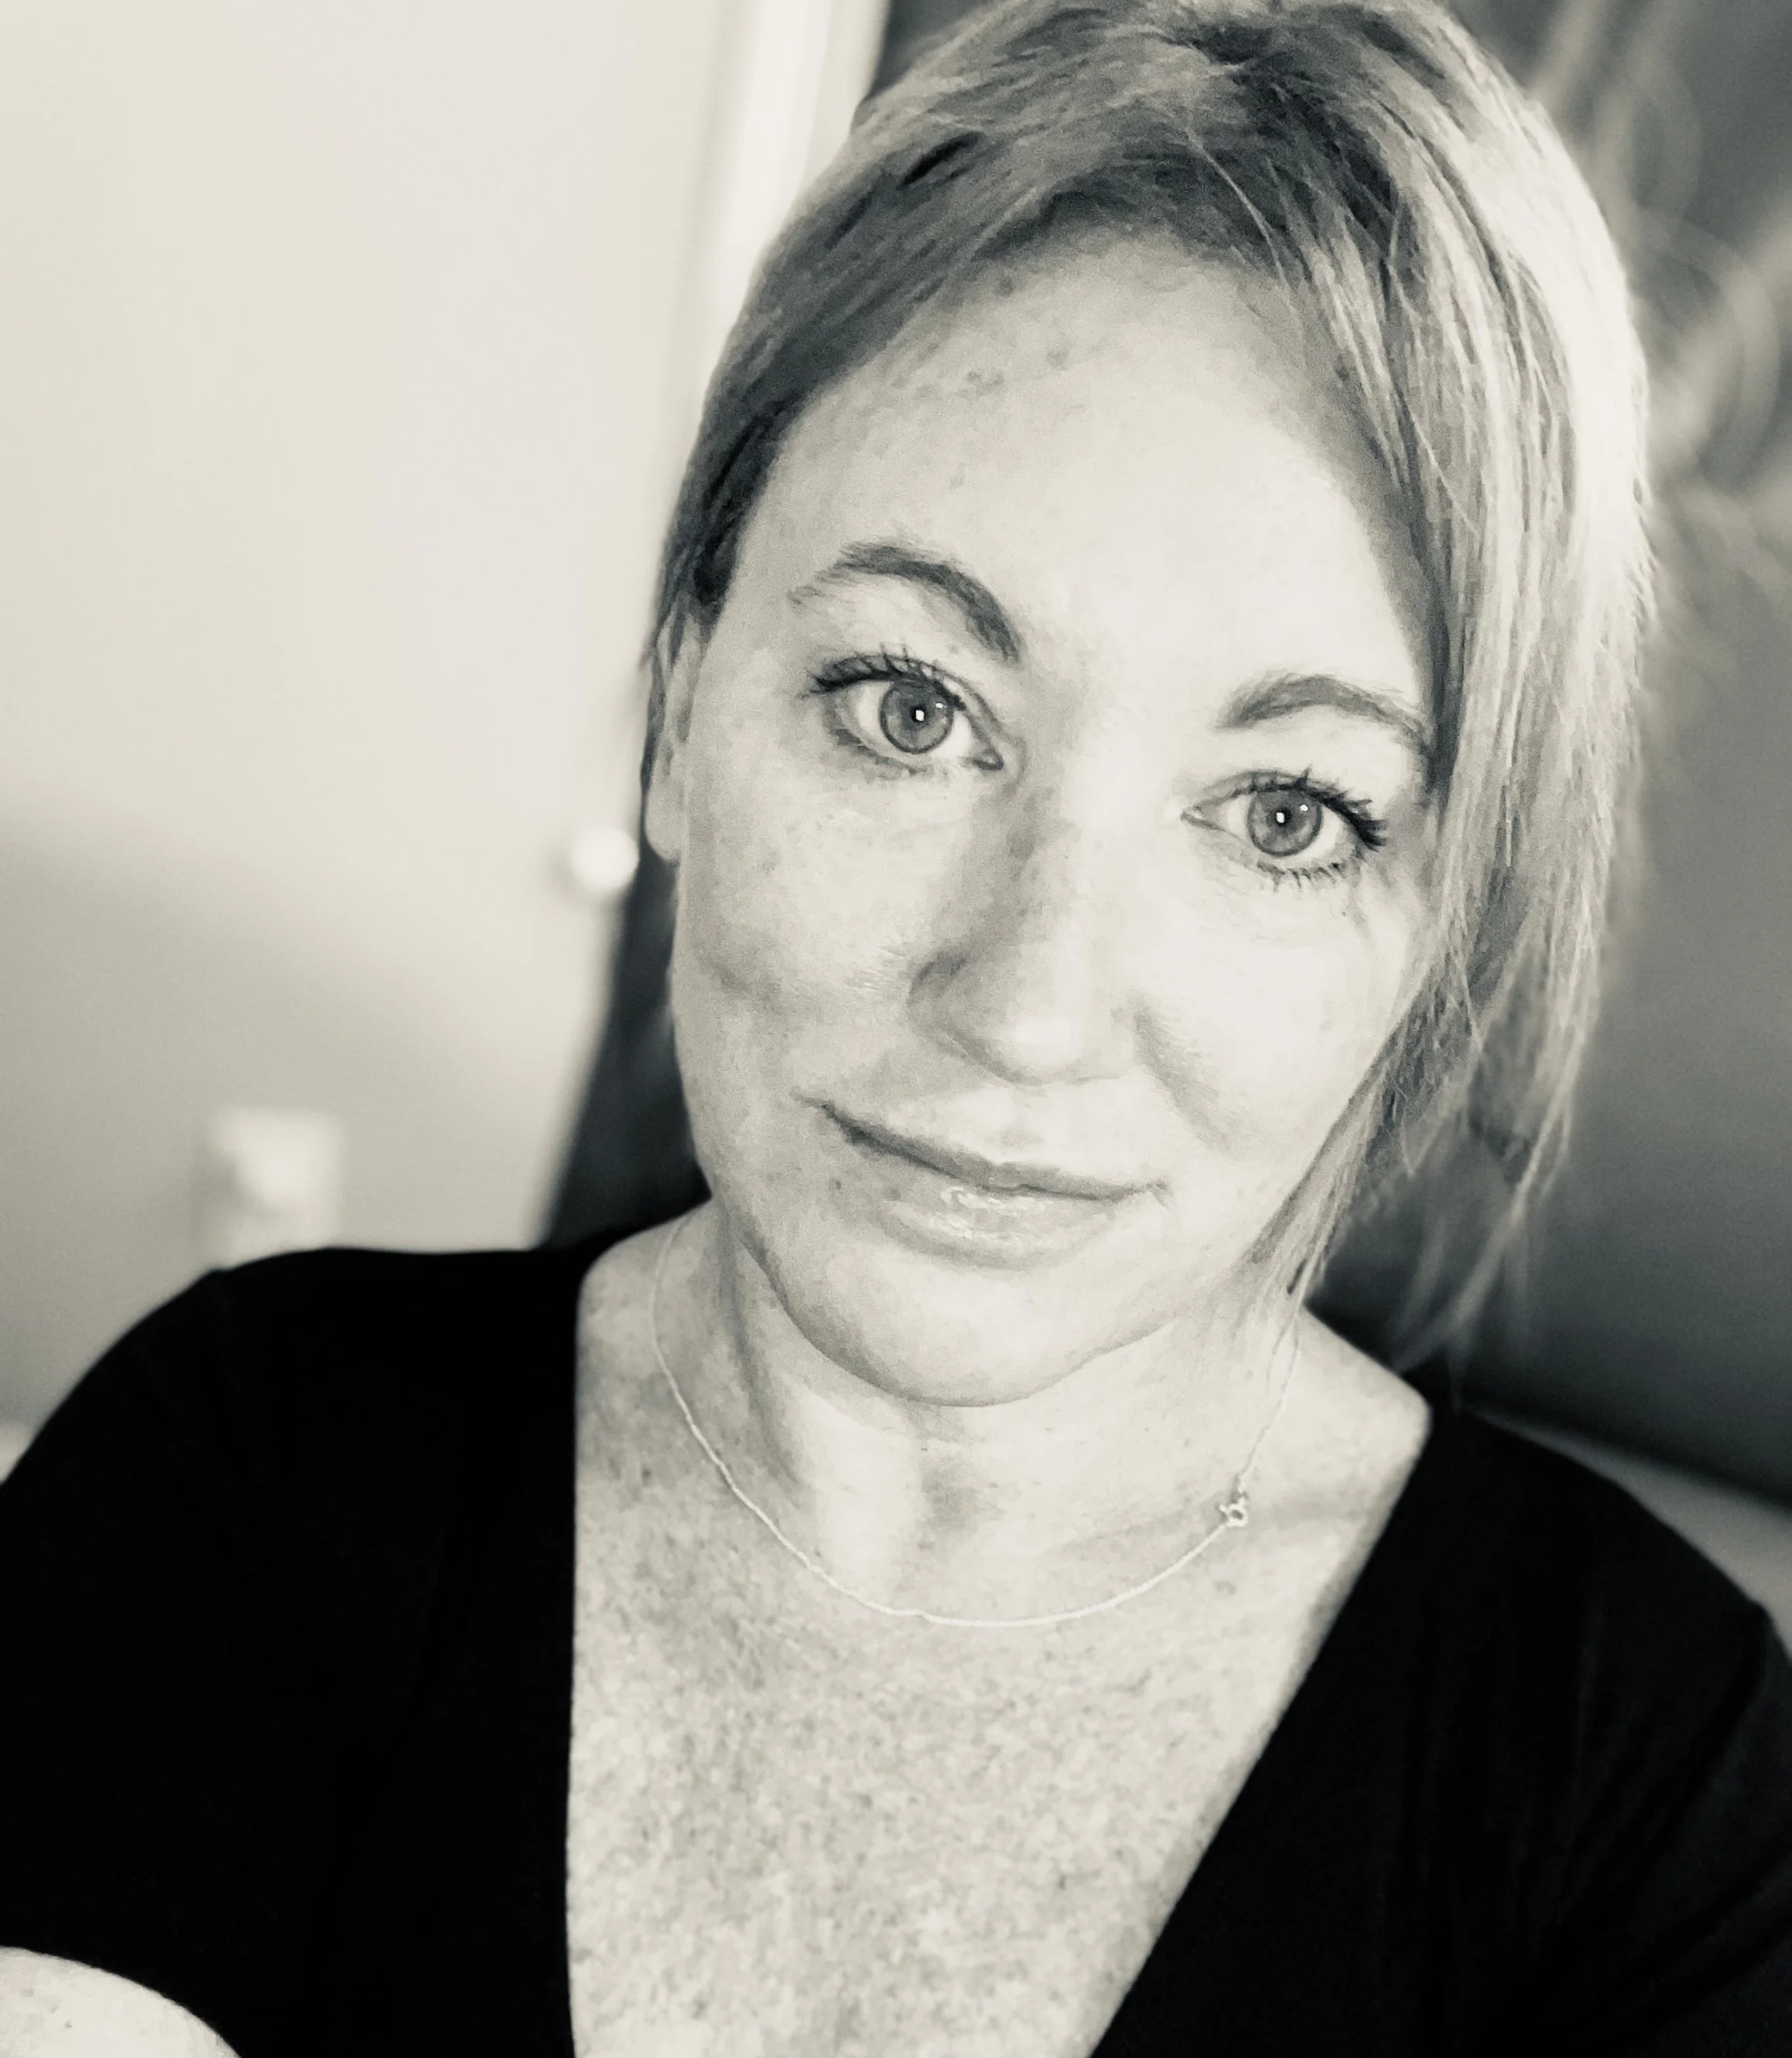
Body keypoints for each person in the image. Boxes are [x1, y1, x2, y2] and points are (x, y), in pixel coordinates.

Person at [2, 1, 1789, 2052]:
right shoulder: (240, 1472)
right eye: (910, 707)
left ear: (1443, 932)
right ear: (679, 708)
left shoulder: (1660, 1801)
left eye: (1284, 814)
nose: (1025, 1007)